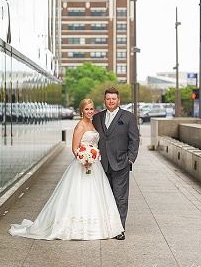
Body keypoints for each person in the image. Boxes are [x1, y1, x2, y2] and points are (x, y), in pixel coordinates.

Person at [9, 98, 124, 240]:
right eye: (86, 109)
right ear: (82, 110)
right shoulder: (80, 126)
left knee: (95, 195)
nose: (89, 112)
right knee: (77, 195)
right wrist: (84, 159)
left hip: (95, 166)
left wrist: (92, 158)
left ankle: (97, 227)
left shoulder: (93, 124)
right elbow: (75, 148)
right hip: (82, 165)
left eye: (91, 109)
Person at [92, 87, 139, 240]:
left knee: (120, 197)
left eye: (114, 99)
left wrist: (130, 159)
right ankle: (105, 227)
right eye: (108, 99)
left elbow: (134, 140)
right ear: (104, 100)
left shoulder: (128, 117)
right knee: (104, 197)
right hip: (101, 164)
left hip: (121, 164)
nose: (111, 101)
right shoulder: (97, 118)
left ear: (118, 100)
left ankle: (119, 229)